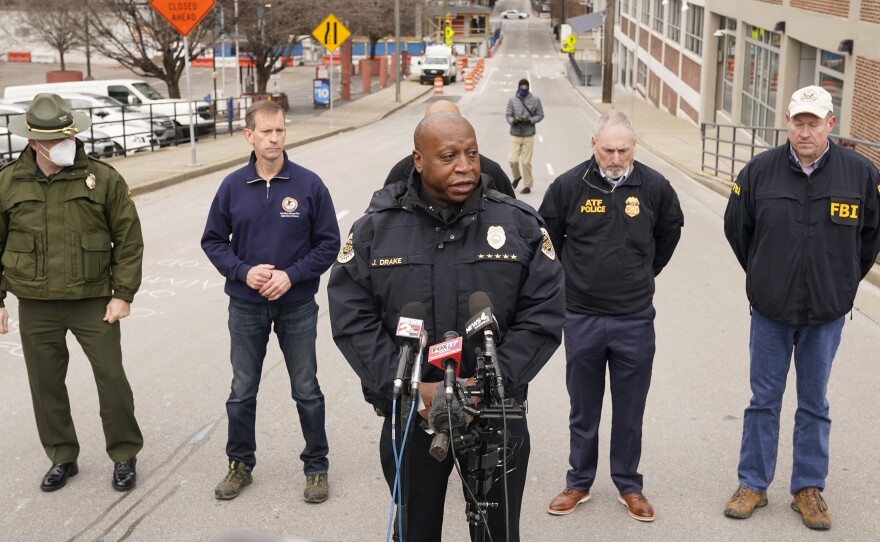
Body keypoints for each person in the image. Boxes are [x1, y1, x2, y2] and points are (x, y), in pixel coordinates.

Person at [328, 111, 565, 541]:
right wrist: (411, 388)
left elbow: (543, 314)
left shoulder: (520, 225)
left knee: (497, 534)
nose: (465, 166)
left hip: (495, 414)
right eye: (449, 156)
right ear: (418, 161)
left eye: (472, 154)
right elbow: (351, 318)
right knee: (415, 531)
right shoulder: (375, 230)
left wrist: (494, 380)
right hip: (413, 416)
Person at [722, 85, 880, 530]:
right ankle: (752, 484)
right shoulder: (758, 172)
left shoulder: (860, 174)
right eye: (798, 121)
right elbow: (739, 232)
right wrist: (765, 276)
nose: (805, 130)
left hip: (826, 314)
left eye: (814, 122)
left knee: (814, 402)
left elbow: (869, 238)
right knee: (763, 400)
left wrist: (842, 283)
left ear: (831, 124)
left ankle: (808, 489)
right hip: (771, 311)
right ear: (787, 121)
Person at [540, 110, 684, 522]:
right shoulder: (568, 186)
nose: (616, 158)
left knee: (630, 410)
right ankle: (579, 482)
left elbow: (669, 232)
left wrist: (643, 272)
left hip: (634, 318)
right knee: (583, 408)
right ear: (593, 145)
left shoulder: (655, 187)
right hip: (582, 317)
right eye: (608, 150)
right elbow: (547, 239)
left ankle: (629, 485)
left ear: (634, 147)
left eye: (623, 150)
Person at [0, 93, 144, 492]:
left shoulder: (103, 178)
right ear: (34, 142)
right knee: (45, 384)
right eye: (57, 139)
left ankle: (124, 453)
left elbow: (128, 239)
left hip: (93, 299)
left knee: (112, 378)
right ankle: (62, 456)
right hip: (36, 302)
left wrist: (123, 293)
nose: (68, 143)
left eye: (70, 135)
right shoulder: (8, 182)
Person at [201, 100, 340, 503]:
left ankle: (317, 467)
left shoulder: (309, 185)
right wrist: (243, 271)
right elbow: (212, 241)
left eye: (280, 130)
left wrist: (290, 275)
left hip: (296, 305)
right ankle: (240, 464)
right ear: (249, 136)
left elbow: (329, 243)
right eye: (267, 131)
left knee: (306, 389)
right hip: (245, 306)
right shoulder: (231, 186)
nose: (275, 138)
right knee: (242, 390)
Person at [383, 100, 516, 197]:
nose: (464, 167)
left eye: (452, 120)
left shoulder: (491, 172)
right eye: (448, 156)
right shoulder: (400, 174)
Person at [506, 78, 544, 195]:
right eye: (521, 88)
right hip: (515, 134)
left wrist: (530, 121)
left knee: (526, 162)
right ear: (518, 88)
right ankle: (517, 177)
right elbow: (508, 115)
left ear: (528, 88)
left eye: (525, 88)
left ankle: (528, 185)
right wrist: (514, 121)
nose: (523, 90)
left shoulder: (535, 100)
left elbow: (540, 115)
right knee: (512, 160)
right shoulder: (512, 100)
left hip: (528, 135)